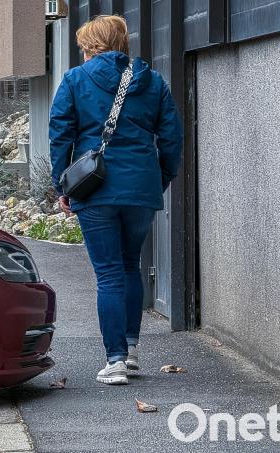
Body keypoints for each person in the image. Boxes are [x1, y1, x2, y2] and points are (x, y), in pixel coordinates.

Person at [49, 15, 183, 385]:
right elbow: (172, 138)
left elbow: (60, 135)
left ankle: (116, 360)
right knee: (129, 265)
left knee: (108, 273)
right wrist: (160, 179)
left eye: (83, 47)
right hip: (141, 187)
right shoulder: (152, 80)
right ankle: (131, 351)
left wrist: (62, 186)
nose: (82, 53)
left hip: (95, 188)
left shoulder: (75, 80)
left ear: (92, 46)